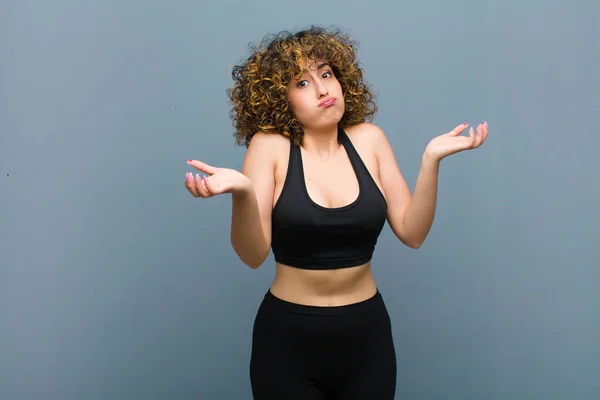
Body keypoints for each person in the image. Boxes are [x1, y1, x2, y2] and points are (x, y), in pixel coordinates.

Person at [184, 26, 488, 400]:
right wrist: (243, 193)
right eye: (303, 83)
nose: (323, 89)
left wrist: (431, 160)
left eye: (326, 74)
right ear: (280, 98)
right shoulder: (270, 148)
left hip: (367, 337)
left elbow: (413, 233)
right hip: (287, 341)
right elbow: (252, 255)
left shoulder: (369, 140)